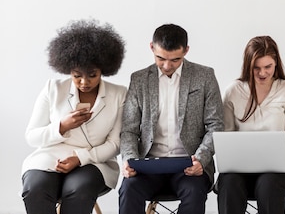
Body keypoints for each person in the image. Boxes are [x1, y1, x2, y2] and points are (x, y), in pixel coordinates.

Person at [21, 19, 127, 214]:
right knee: (35, 189)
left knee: (78, 190)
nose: (84, 82)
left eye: (92, 75)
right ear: (68, 68)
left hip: (94, 162)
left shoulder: (119, 94)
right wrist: (62, 126)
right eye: (77, 75)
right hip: (50, 158)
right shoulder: (53, 89)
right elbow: (32, 136)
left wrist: (79, 158)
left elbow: (115, 145)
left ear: (103, 69)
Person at [119, 24, 224, 214]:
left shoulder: (205, 76)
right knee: (128, 188)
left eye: (175, 59)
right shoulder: (139, 79)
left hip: (189, 164)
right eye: (160, 58)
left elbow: (215, 125)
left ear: (186, 51)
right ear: (152, 47)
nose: (167, 66)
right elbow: (129, 129)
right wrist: (129, 159)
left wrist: (201, 159)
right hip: (148, 164)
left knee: (194, 193)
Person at [218, 35, 285, 214]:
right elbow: (226, 135)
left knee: (269, 184)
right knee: (228, 182)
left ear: (276, 64)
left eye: (268, 67)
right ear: (248, 66)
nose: (262, 73)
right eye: (256, 68)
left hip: (279, 167)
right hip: (241, 166)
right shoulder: (233, 91)